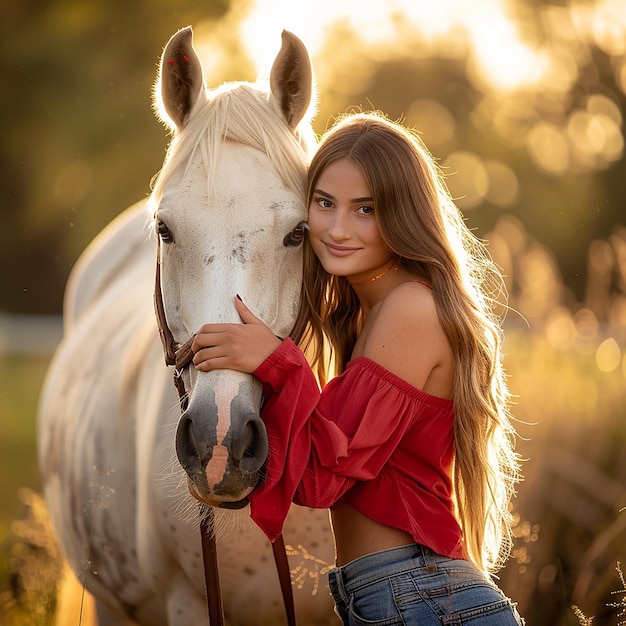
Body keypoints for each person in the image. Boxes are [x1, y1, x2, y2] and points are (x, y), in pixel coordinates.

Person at [192, 111, 524, 625]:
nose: (338, 229)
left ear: (402, 215)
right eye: (325, 203)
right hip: (396, 595)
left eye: (364, 209)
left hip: (422, 597)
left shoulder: (412, 309)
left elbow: (323, 476)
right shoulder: (369, 314)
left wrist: (278, 363)